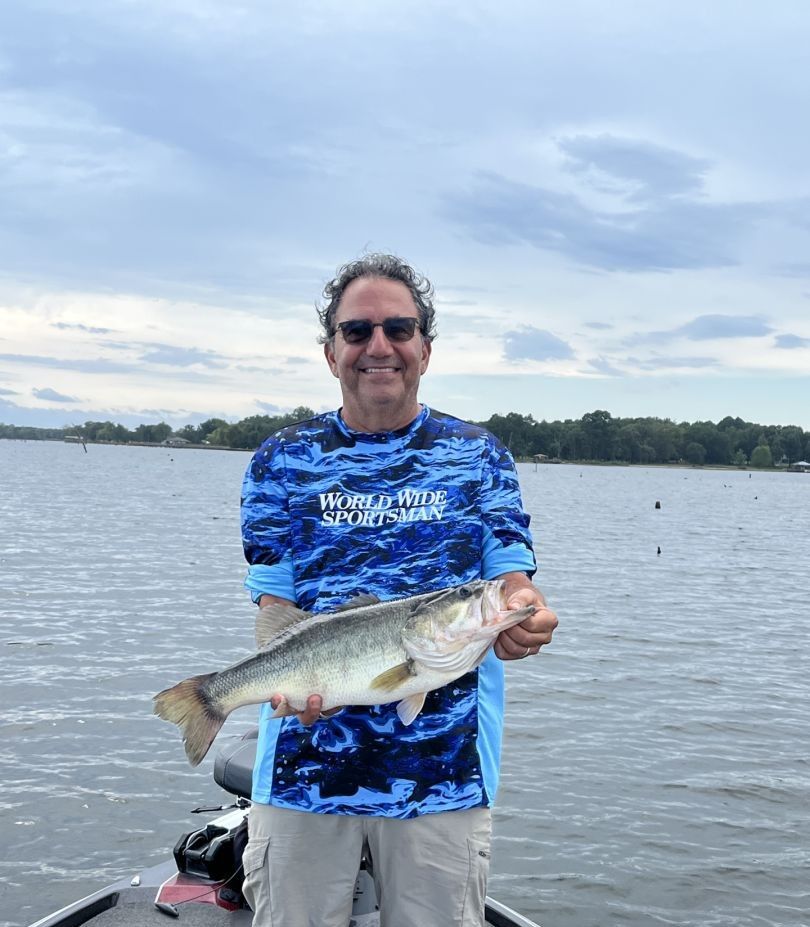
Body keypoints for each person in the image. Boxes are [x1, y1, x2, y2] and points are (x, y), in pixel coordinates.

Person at [239, 253, 558, 927]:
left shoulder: (479, 457)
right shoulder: (279, 461)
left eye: (398, 329)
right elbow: (274, 605)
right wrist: (287, 682)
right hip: (302, 772)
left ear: (425, 348)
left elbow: (511, 577)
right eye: (357, 331)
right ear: (330, 353)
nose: (378, 346)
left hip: (443, 781)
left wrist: (523, 613)